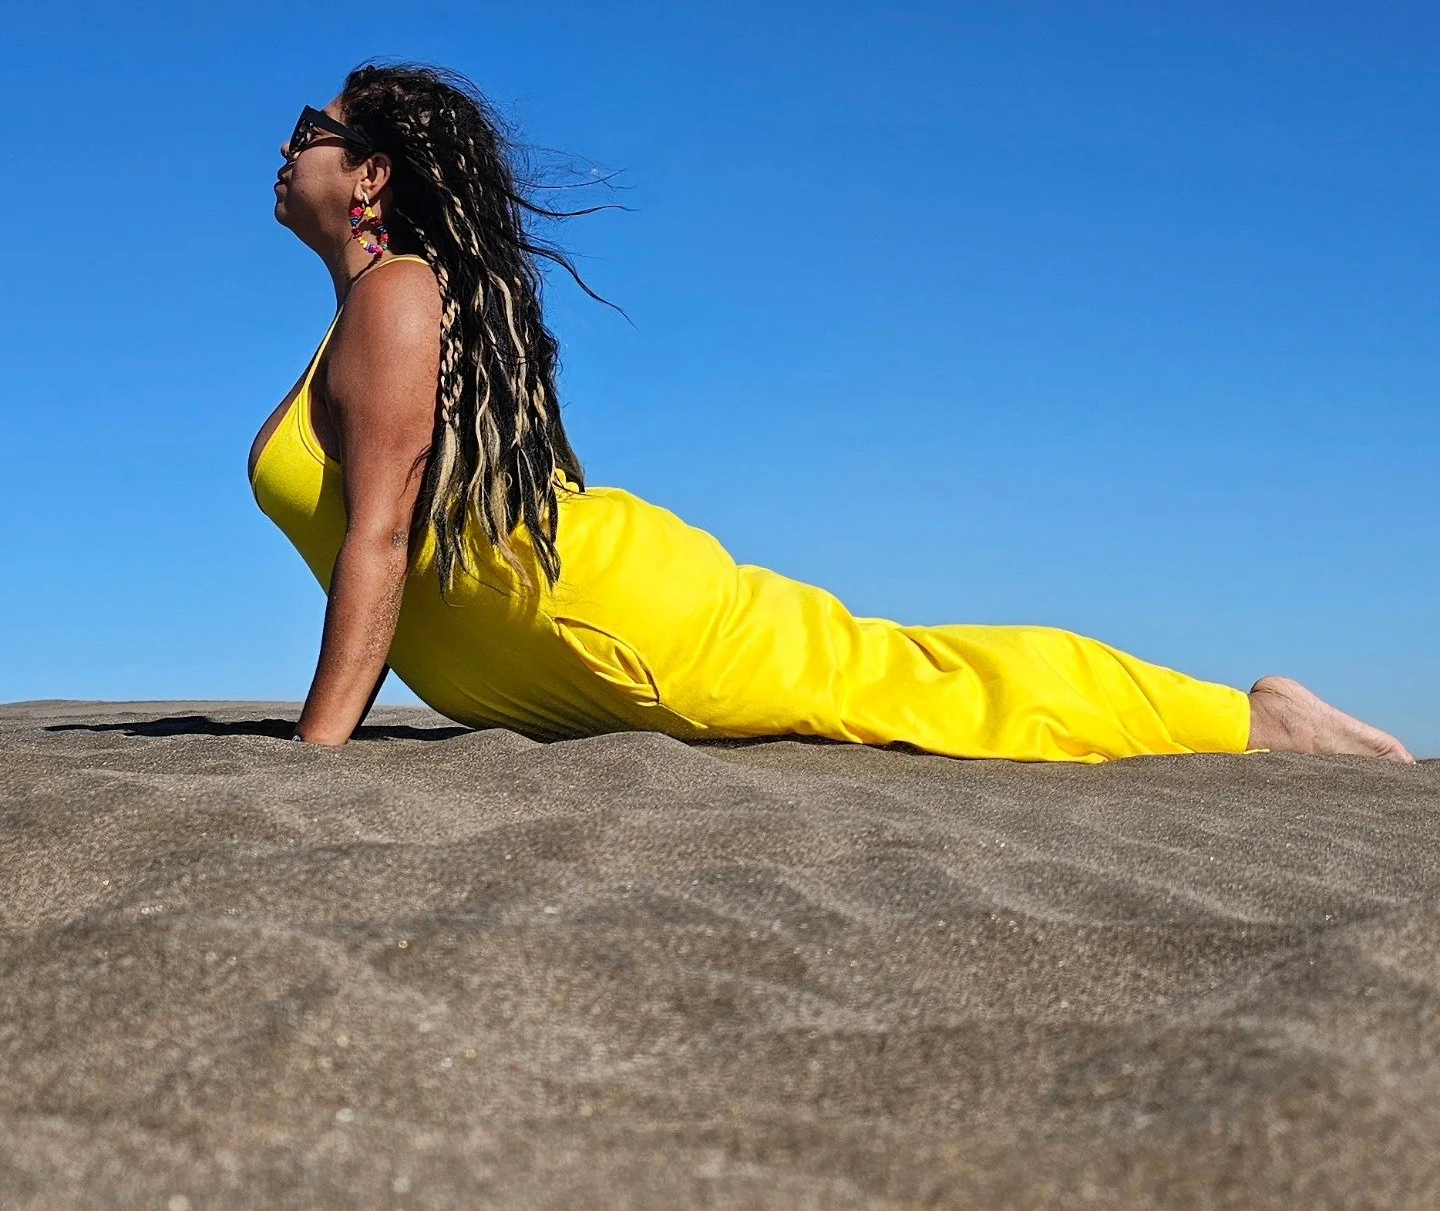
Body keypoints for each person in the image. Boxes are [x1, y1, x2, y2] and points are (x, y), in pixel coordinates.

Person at [250, 62, 1413, 764]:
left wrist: (316, 755)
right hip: (574, 650)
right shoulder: (367, 314)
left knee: (900, 685)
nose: (291, 138)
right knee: (893, 670)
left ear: (371, 177)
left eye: (315, 122)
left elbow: (384, 531)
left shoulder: (399, 295)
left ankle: (1250, 722)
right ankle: (1235, 712)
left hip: (622, 628)